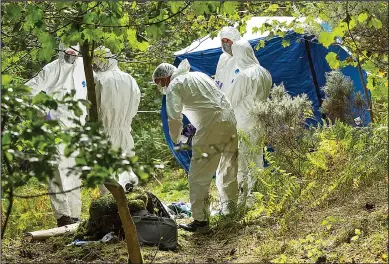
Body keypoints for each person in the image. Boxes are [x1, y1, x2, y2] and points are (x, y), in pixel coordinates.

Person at [152, 59, 238, 232]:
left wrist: (176, 139)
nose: (159, 87)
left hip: (210, 126)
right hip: (229, 121)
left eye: (158, 82)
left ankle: (201, 221)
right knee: (228, 169)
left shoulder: (174, 86)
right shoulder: (198, 76)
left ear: (165, 78)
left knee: (198, 175)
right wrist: (189, 132)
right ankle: (232, 211)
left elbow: (174, 118)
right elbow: (207, 104)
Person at [25, 43, 87, 227]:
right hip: (57, 128)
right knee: (58, 170)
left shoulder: (82, 67)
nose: (72, 55)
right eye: (68, 51)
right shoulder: (52, 68)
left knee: (74, 172)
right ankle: (63, 216)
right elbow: (28, 91)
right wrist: (44, 112)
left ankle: (75, 216)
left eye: (75, 52)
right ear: (61, 49)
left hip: (77, 128)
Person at [224, 39, 272, 205]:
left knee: (242, 163)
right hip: (260, 122)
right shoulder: (264, 72)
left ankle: (243, 202)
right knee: (257, 159)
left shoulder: (244, 76)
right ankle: (257, 198)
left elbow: (230, 100)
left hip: (244, 123)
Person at [93, 47, 141, 194]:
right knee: (125, 168)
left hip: (105, 132)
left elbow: (92, 106)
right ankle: (128, 205)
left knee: (105, 175)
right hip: (125, 131)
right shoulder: (130, 79)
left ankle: (112, 208)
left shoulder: (99, 79)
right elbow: (135, 104)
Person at [214, 26, 241, 94]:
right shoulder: (223, 58)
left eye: (228, 40)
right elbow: (218, 79)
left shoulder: (242, 57)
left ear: (235, 40)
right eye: (223, 41)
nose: (225, 44)